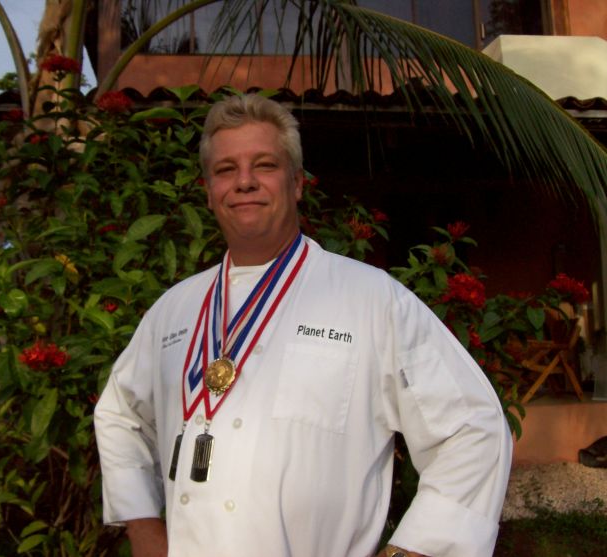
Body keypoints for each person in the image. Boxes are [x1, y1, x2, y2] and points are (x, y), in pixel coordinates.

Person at [94, 94, 512, 557]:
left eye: (264, 165)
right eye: (226, 169)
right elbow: (119, 414)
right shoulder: (174, 310)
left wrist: (414, 551)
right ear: (209, 190)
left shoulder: (371, 299)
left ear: (296, 183)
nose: (245, 181)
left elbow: (473, 427)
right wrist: (143, 527)